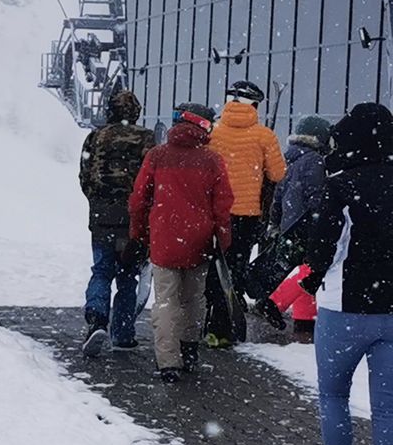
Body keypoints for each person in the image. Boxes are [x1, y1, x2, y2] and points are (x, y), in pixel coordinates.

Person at [298, 102, 393, 445]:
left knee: (333, 397)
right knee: (388, 409)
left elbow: (321, 251)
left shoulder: (341, 186)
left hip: (343, 310)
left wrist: (311, 278)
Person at [127, 107, 233, 384]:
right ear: (203, 127)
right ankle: (189, 350)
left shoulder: (157, 155)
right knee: (194, 298)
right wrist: (222, 238)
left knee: (165, 300)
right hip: (199, 239)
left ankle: (167, 361)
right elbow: (223, 205)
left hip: (163, 238)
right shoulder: (212, 160)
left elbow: (139, 199)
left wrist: (140, 233)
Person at [204, 80, 286, 347]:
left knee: (216, 266)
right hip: (248, 215)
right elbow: (278, 173)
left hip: (216, 212)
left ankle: (209, 322)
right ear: (255, 105)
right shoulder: (264, 136)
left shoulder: (212, 133)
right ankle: (227, 326)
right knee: (236, 268)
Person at [78, 88, 155, 355]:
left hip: (102, 217)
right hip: (135, 219)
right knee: (128, 277)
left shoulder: (95, 137)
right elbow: (153, 180)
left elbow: (84, 176)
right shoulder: (147, 139)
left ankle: (97, 319)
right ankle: (123, 334)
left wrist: (98, 201)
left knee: (101, 271)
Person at [250, 114, 331, 328]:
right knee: (311, 267)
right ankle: (275, 303)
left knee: (304, 266)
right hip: (306, 224)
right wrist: (320, 220)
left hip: (290, 223)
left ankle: (304, 319)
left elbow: (278, 195)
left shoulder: (290, 159)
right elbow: (317, 196)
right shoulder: (314, 160)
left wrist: (275, 222)